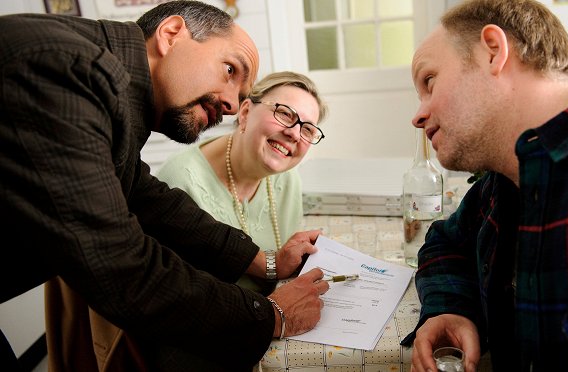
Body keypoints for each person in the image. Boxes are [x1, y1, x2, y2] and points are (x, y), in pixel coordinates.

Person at [0, 1, 329, 371]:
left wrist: (265, 262)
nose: (232, 104)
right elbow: (121, 266)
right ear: (171, 34)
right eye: (230, 69)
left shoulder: (108, 94)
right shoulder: (66, 71)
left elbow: (145, 197)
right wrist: (273, 316)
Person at [401, 0, 568, 371]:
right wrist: (452, 308)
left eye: (429, 81)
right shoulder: (500, 185)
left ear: (493, 51)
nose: (418, 115)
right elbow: (444, 241)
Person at [157, 71, 328, 295]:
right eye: (285, 114)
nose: (295, 134)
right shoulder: (179, 181)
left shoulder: (288, 179)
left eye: (307, 130)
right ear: (246, 112)